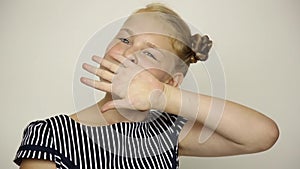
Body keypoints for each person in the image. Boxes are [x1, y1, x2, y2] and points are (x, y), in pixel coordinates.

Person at [14, 3, 279, 169]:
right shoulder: (49, 134)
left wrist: (164, 97)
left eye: (150, 53)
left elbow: (262, 135)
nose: (129, 53)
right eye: (125, 40)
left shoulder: (168, 133)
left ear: (171, 82)